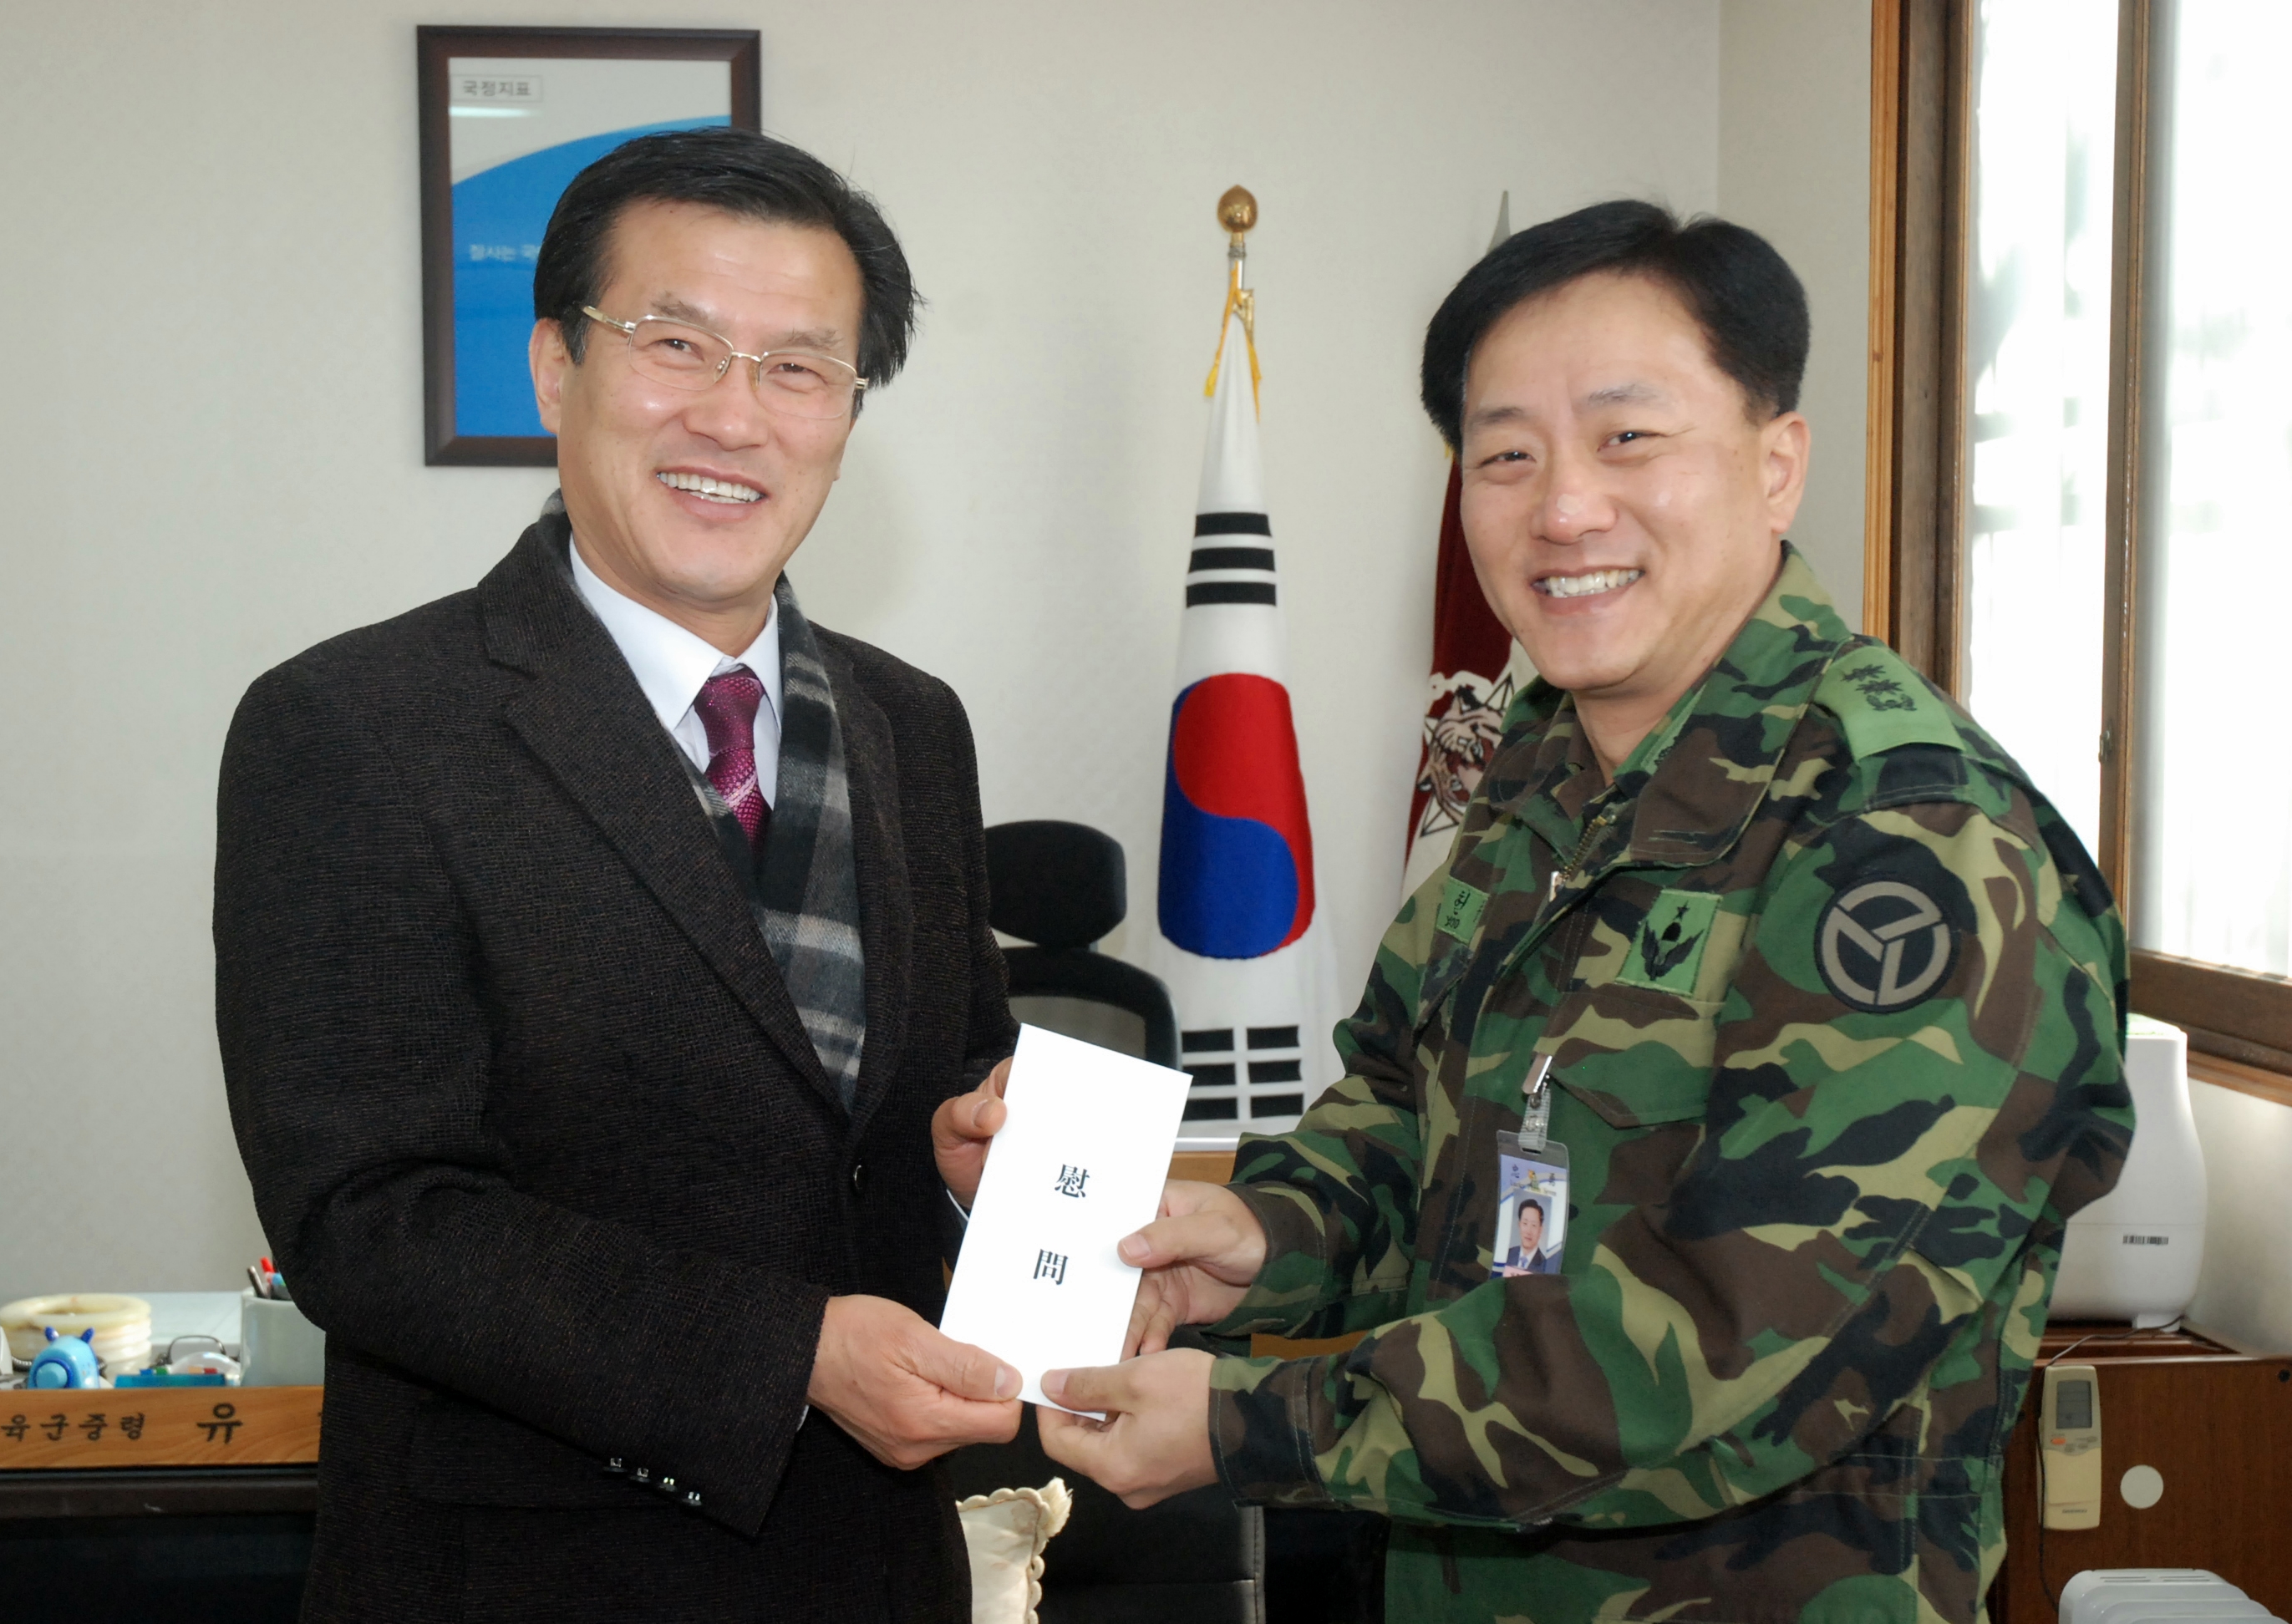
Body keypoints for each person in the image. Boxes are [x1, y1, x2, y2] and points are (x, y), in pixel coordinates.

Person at [1034, 200, 2134, 1623]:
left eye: (1628, 437)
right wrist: (1255, 1237)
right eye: (1506, 454)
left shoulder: (1906, 836)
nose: (1561, 508)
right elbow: (1407, 1117)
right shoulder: (1540, 782)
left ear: (1776, 463)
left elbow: (1732, 1340)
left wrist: (1256, 1422)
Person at [216, 128, 1019, 1622]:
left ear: (849, 411)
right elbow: (368, 1214)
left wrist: (975, 1167)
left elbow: (925, 1105)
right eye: (676, 343)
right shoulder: (353, 725)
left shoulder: (914, 725)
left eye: (799, 367)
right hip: (524, 1578)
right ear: (554, 367)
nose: (734, 413)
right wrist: (788, 1354)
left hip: (873, 1569)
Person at [1499, 1197, 1555, 1276]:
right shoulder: (1507, 1254)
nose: (1529, 1231)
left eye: (1534, 1225)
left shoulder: (1545, 1266)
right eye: (1525, 1223)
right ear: (1519, 1225)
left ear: (1540, 1230)